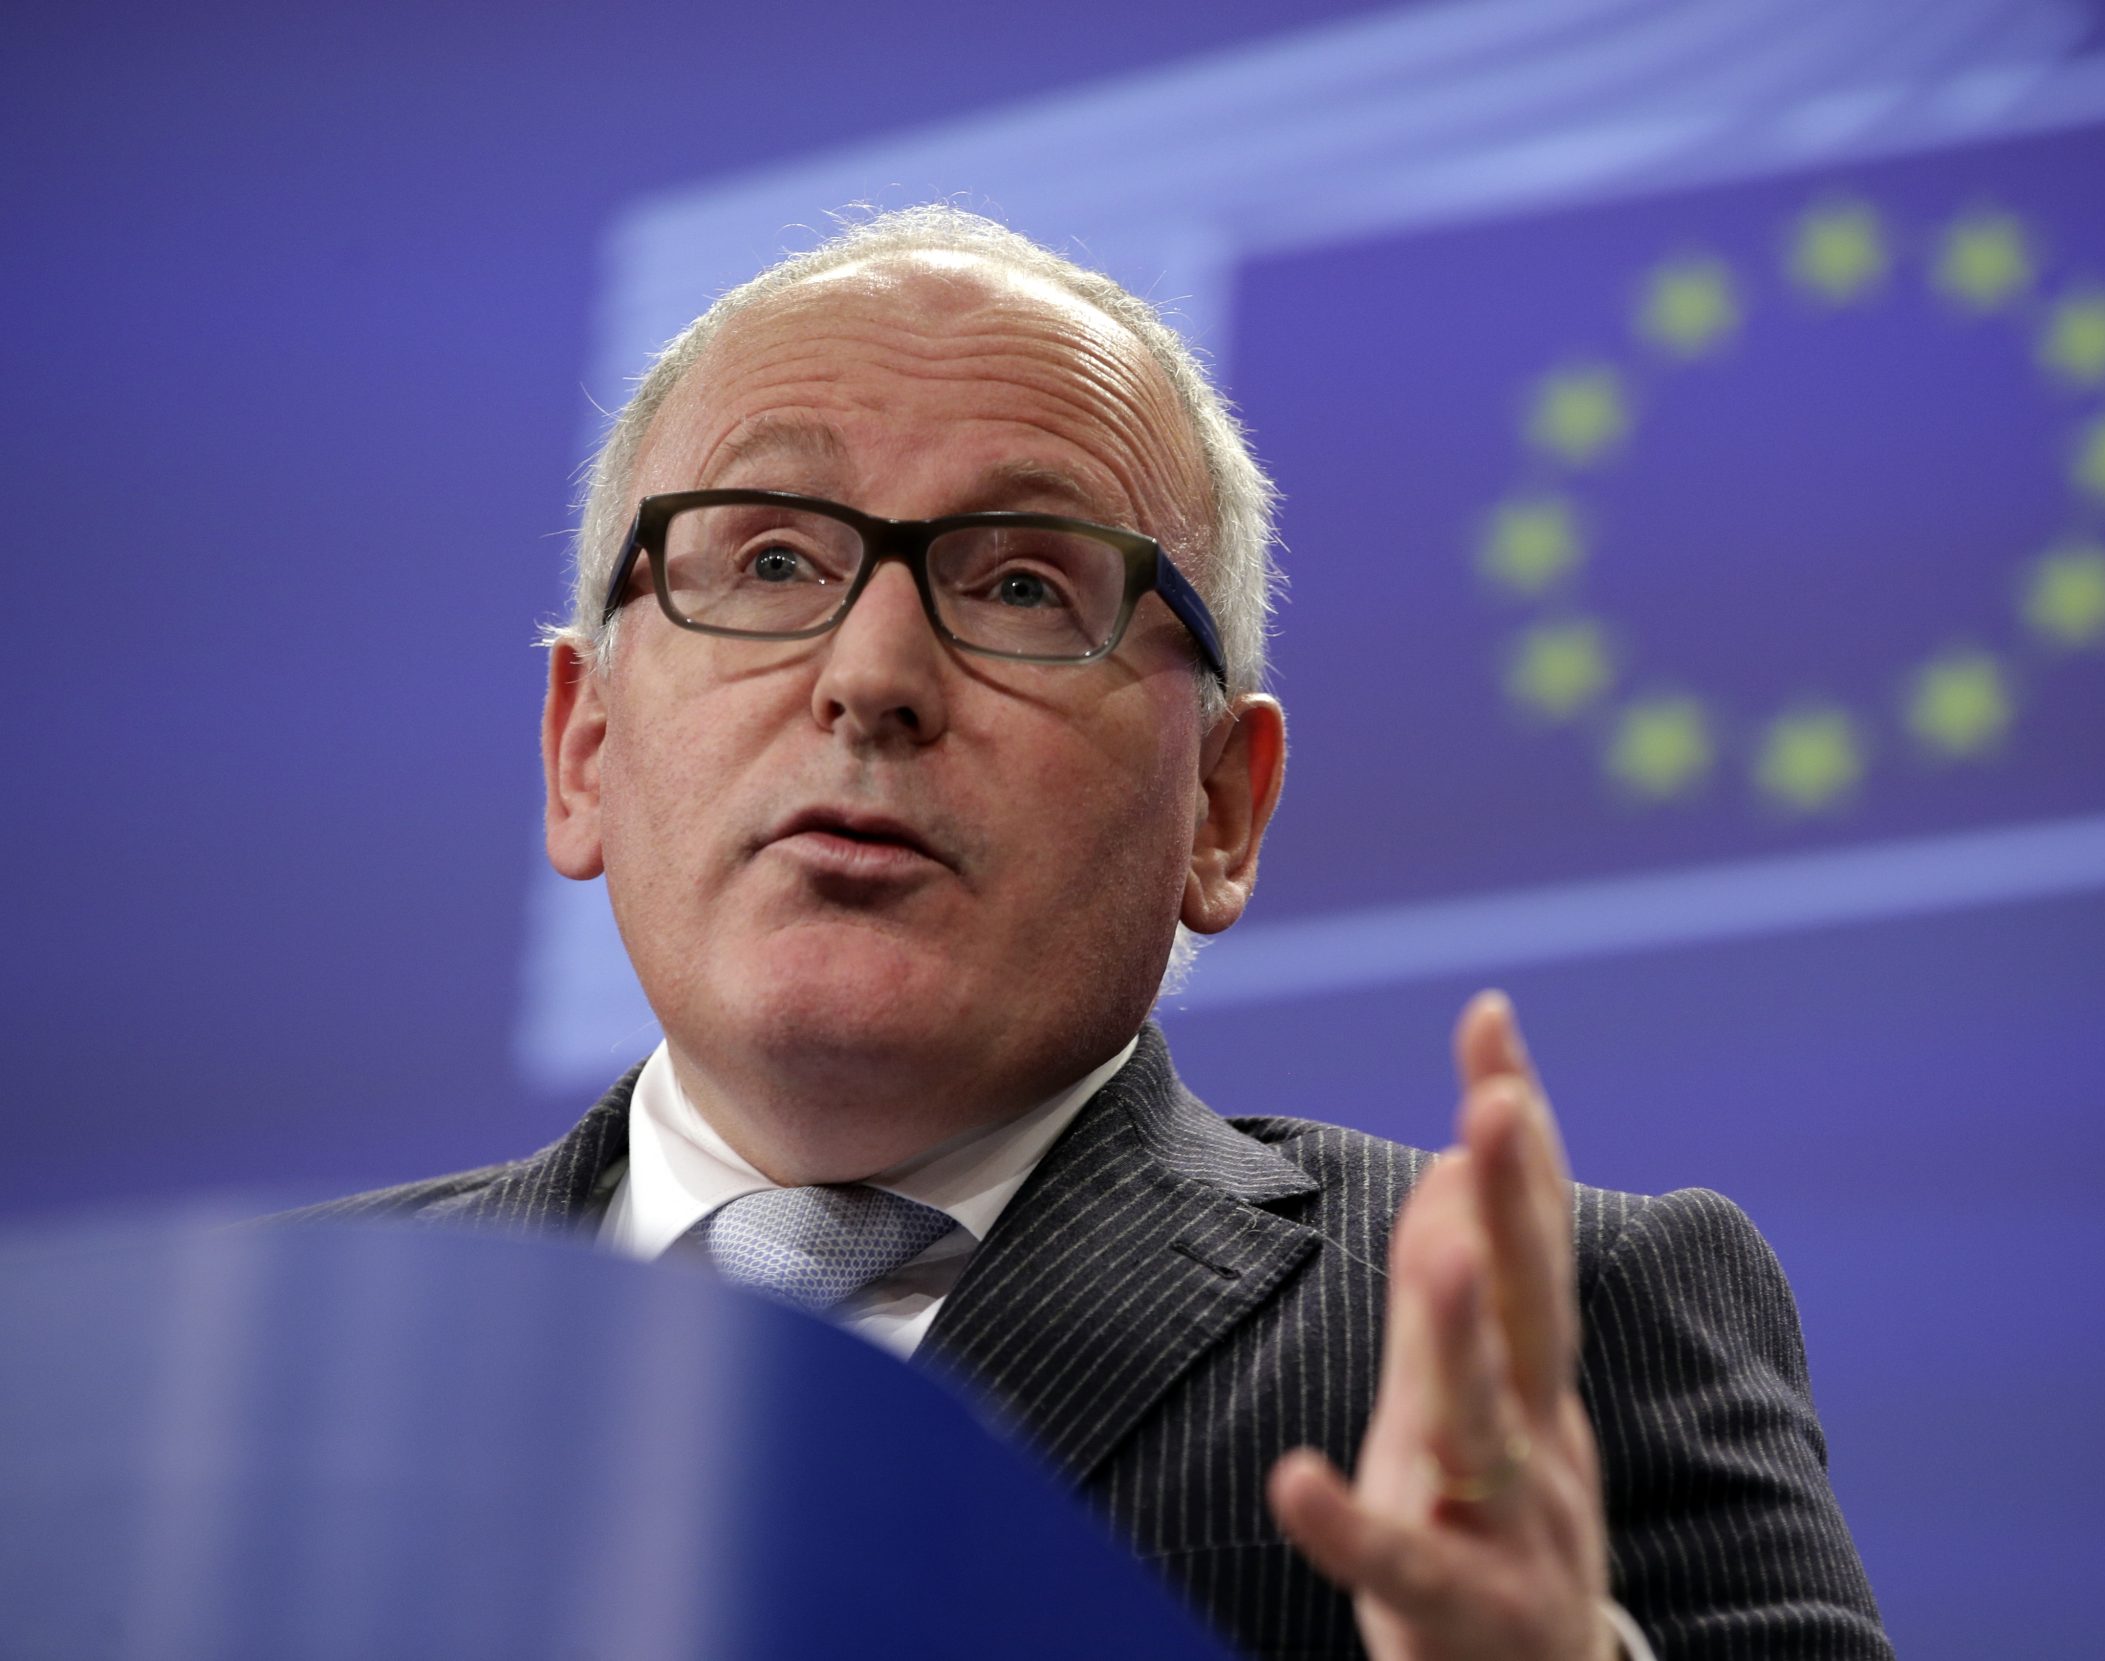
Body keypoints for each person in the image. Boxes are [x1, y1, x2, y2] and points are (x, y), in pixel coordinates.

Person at [312, 207, 1893, 1660]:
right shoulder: (295, 1345)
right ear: (583, 749)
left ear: (1220, 808)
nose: (871, 676)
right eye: (774, 561)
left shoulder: (1540, 1333)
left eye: (1020, 586)